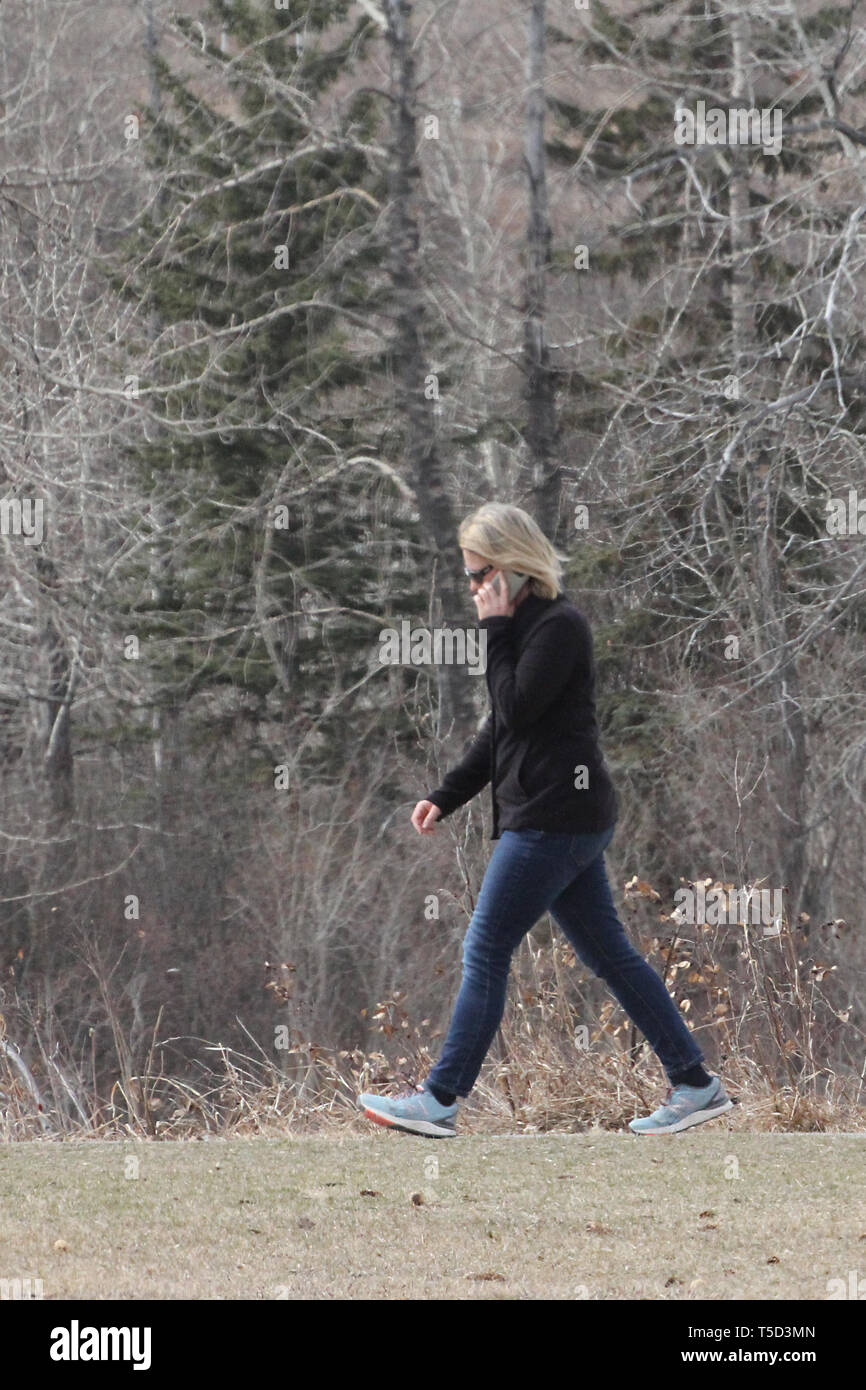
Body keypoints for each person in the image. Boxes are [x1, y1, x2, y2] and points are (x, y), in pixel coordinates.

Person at [357, 503, 733, 1138]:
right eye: (470, 576)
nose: (473, 588)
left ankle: (440, 1099)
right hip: (561, 816)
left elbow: (518, 707)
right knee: (610, 955)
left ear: (510, 569)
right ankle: (695, 1084)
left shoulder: (557, 627)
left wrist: (494, 631)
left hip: (556, 819)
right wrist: (448, 795)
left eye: (480, 575)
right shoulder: (529, 628)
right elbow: (501, 729)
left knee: (484, 949)